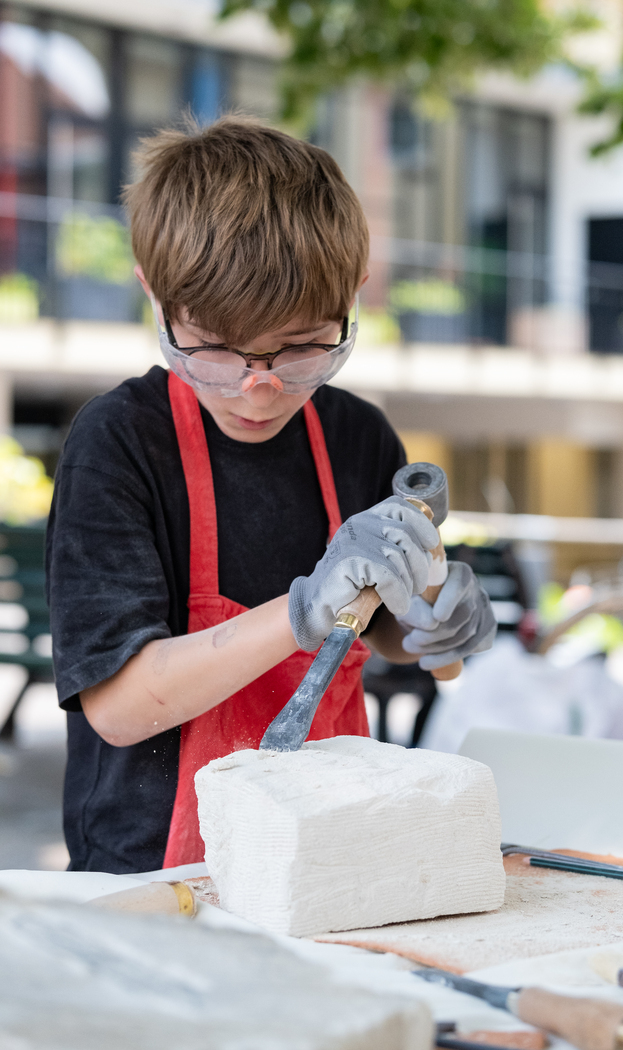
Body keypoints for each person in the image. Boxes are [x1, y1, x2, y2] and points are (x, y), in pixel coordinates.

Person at [46, 117, 496, 875]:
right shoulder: (119, 444)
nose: (259, 389)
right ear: (153, 295)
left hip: (329, 855)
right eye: (216, 348)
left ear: (352, 296)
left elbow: (374, 627)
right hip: (156, 872)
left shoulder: (358, 436)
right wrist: (299, 612)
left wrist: (425, 626)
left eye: (300, 346)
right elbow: (121, 709)